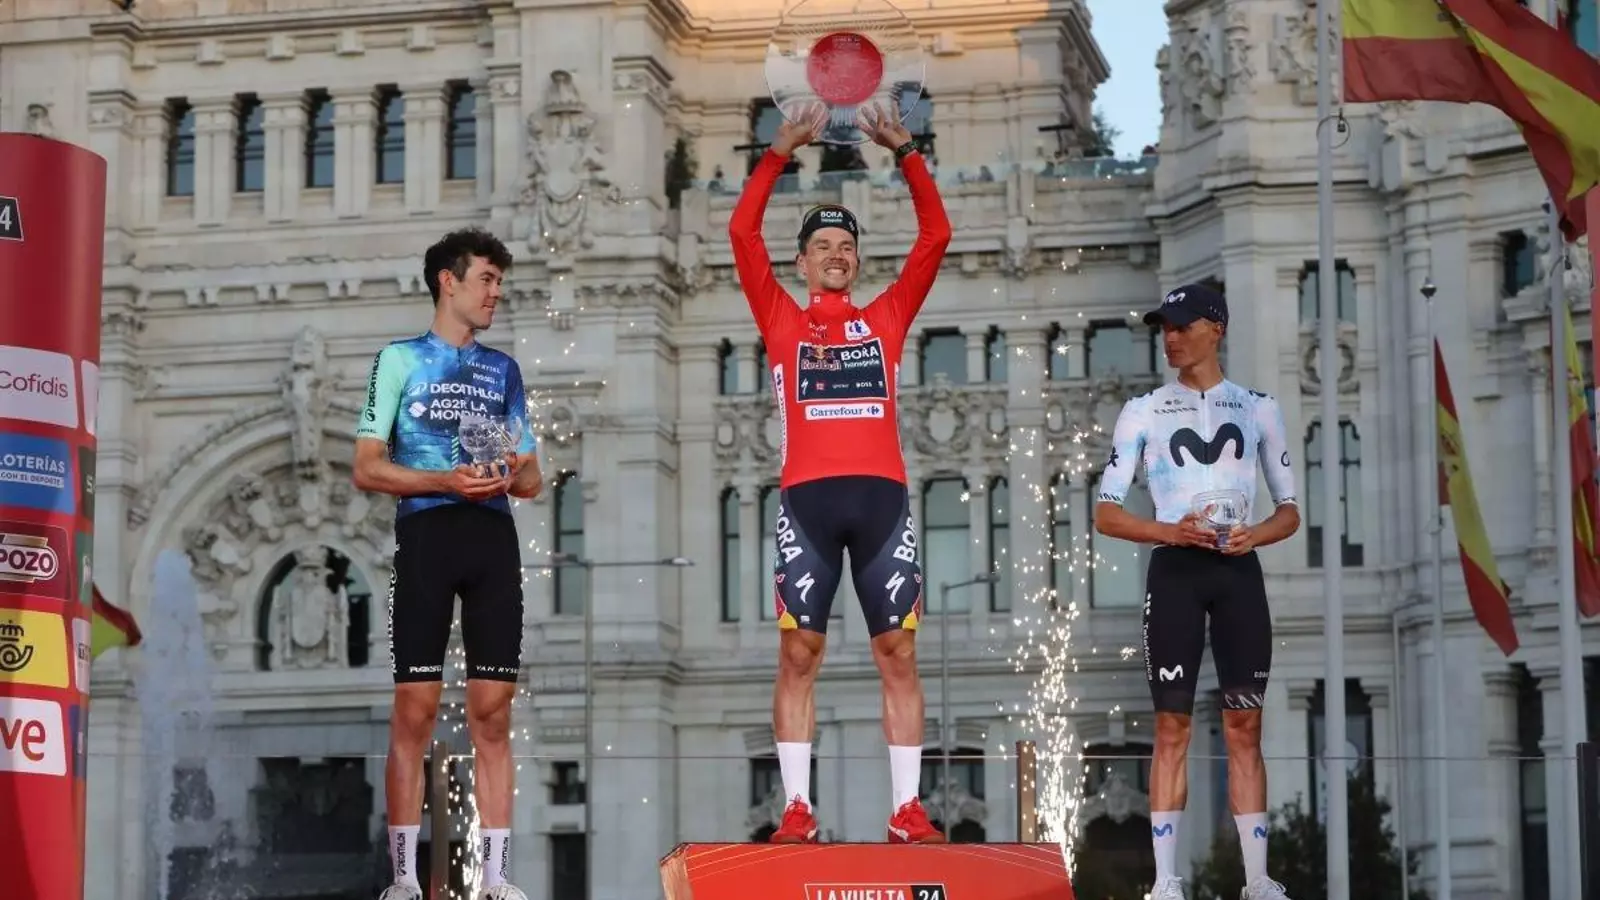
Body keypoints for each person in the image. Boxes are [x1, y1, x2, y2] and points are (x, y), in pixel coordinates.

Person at [728, 102, 953, 844]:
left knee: (899, 652)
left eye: (846, 246)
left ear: (857, 261)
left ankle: (907, 810)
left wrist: (906, 151)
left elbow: (936, 237)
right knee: (799, 652)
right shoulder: (781, 318)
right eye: (822, 245)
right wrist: (778, 152)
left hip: (882, 502)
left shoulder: (885, 316)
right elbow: (741, 234)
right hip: (808, 505)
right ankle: (796, 807)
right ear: (801, 263)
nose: (836, 254)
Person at [353, 228, 543, 900]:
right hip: (427, 536)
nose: (496, 294)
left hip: (493, 541)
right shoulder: (399, 360)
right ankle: (404, 879)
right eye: (487, 280)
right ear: (449, 282)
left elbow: (533, 480)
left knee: (494, 713)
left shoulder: (504, 370)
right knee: (415, 709)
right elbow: (366, 467)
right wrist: (445, 481)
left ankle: (497, 877)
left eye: (500, 282)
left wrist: (512, 469)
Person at [1093, 283, 1300, 900]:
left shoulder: (1259, 408)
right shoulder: (1143, 410)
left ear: (1217, 329)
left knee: (1245, 726)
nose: (1171, 337)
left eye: (1183, 326)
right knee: (1171, 726)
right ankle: (1165, 881)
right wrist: (1169, 531)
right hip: (1175, 572)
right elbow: (1106, 513)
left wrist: (1255, 535)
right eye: (1165, 327)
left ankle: (1257, 879)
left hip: (1238, 572)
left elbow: (1290, 511)